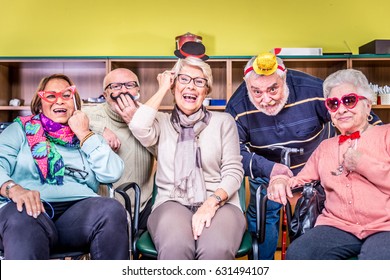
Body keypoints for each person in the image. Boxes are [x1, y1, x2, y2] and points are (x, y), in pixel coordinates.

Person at [225, 52, 383, 259]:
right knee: (264, 214)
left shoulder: (314, 90)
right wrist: (272, 171)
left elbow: (353, 114)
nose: (266, 99)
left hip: (316, 167)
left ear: (285, 78)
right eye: (256, 92)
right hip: (267, 169)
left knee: (314, 219)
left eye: (273, 88)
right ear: (247, 87)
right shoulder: (237, 106)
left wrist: (373, 148)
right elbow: (232, 151)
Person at [126, 56, 246, 260]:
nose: (191, 87)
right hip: (172, 202)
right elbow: (138, 125)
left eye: (199, 82)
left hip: (221, 204)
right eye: (184, 79)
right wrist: (163, 87)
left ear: (206, 90)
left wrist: (211, 203)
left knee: (214, 249)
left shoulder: (223, 122)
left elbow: (234, 172)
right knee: (176, 247)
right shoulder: (161, 123)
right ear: (174, 87)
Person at [0, 74, 129, 260]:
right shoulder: (19, 130)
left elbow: (112, 173)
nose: (59, 100)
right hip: (29, 212)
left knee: (112, 209)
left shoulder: (86, 133)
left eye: (66, 95)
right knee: (21, 214)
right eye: (51, 96)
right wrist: (14, 189)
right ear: (39, 104)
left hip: (77, 216)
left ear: (75, 103)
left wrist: (84, 133)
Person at [267, 69, 390, 259]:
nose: (341, 110)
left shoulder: (386, 135)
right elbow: (300, 180)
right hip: (337, 226)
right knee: (299, 253)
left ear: (367, 104)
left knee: (377, 261)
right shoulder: (326, 147)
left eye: (349, 101)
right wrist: (281, 180)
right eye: (333, 104)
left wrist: (362, 163)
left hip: (385, 226)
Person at [82, 68, 155, 231]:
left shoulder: (151, 118)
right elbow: (71, 116)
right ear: (105, 94)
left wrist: (139, 125)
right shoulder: (89, 114)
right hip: (103, 206)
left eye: (129, 85)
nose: (123, 90)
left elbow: (166, 152)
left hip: (143, 204)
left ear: (138, 91)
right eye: (115, 86)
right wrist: (101, 130)